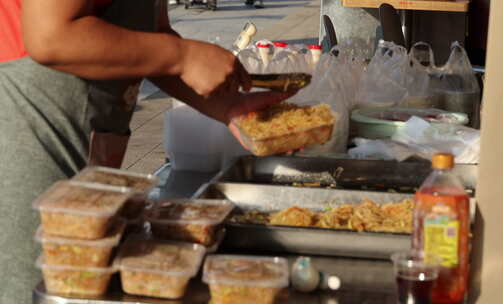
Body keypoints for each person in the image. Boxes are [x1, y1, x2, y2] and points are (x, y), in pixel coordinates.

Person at [0, 0, 293, 302]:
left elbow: (150, 38)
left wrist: (229, 106)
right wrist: (184, 56)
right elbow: (51, 37)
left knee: (82, 278)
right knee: (36, 281)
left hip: (84, 136)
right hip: (27, 129)